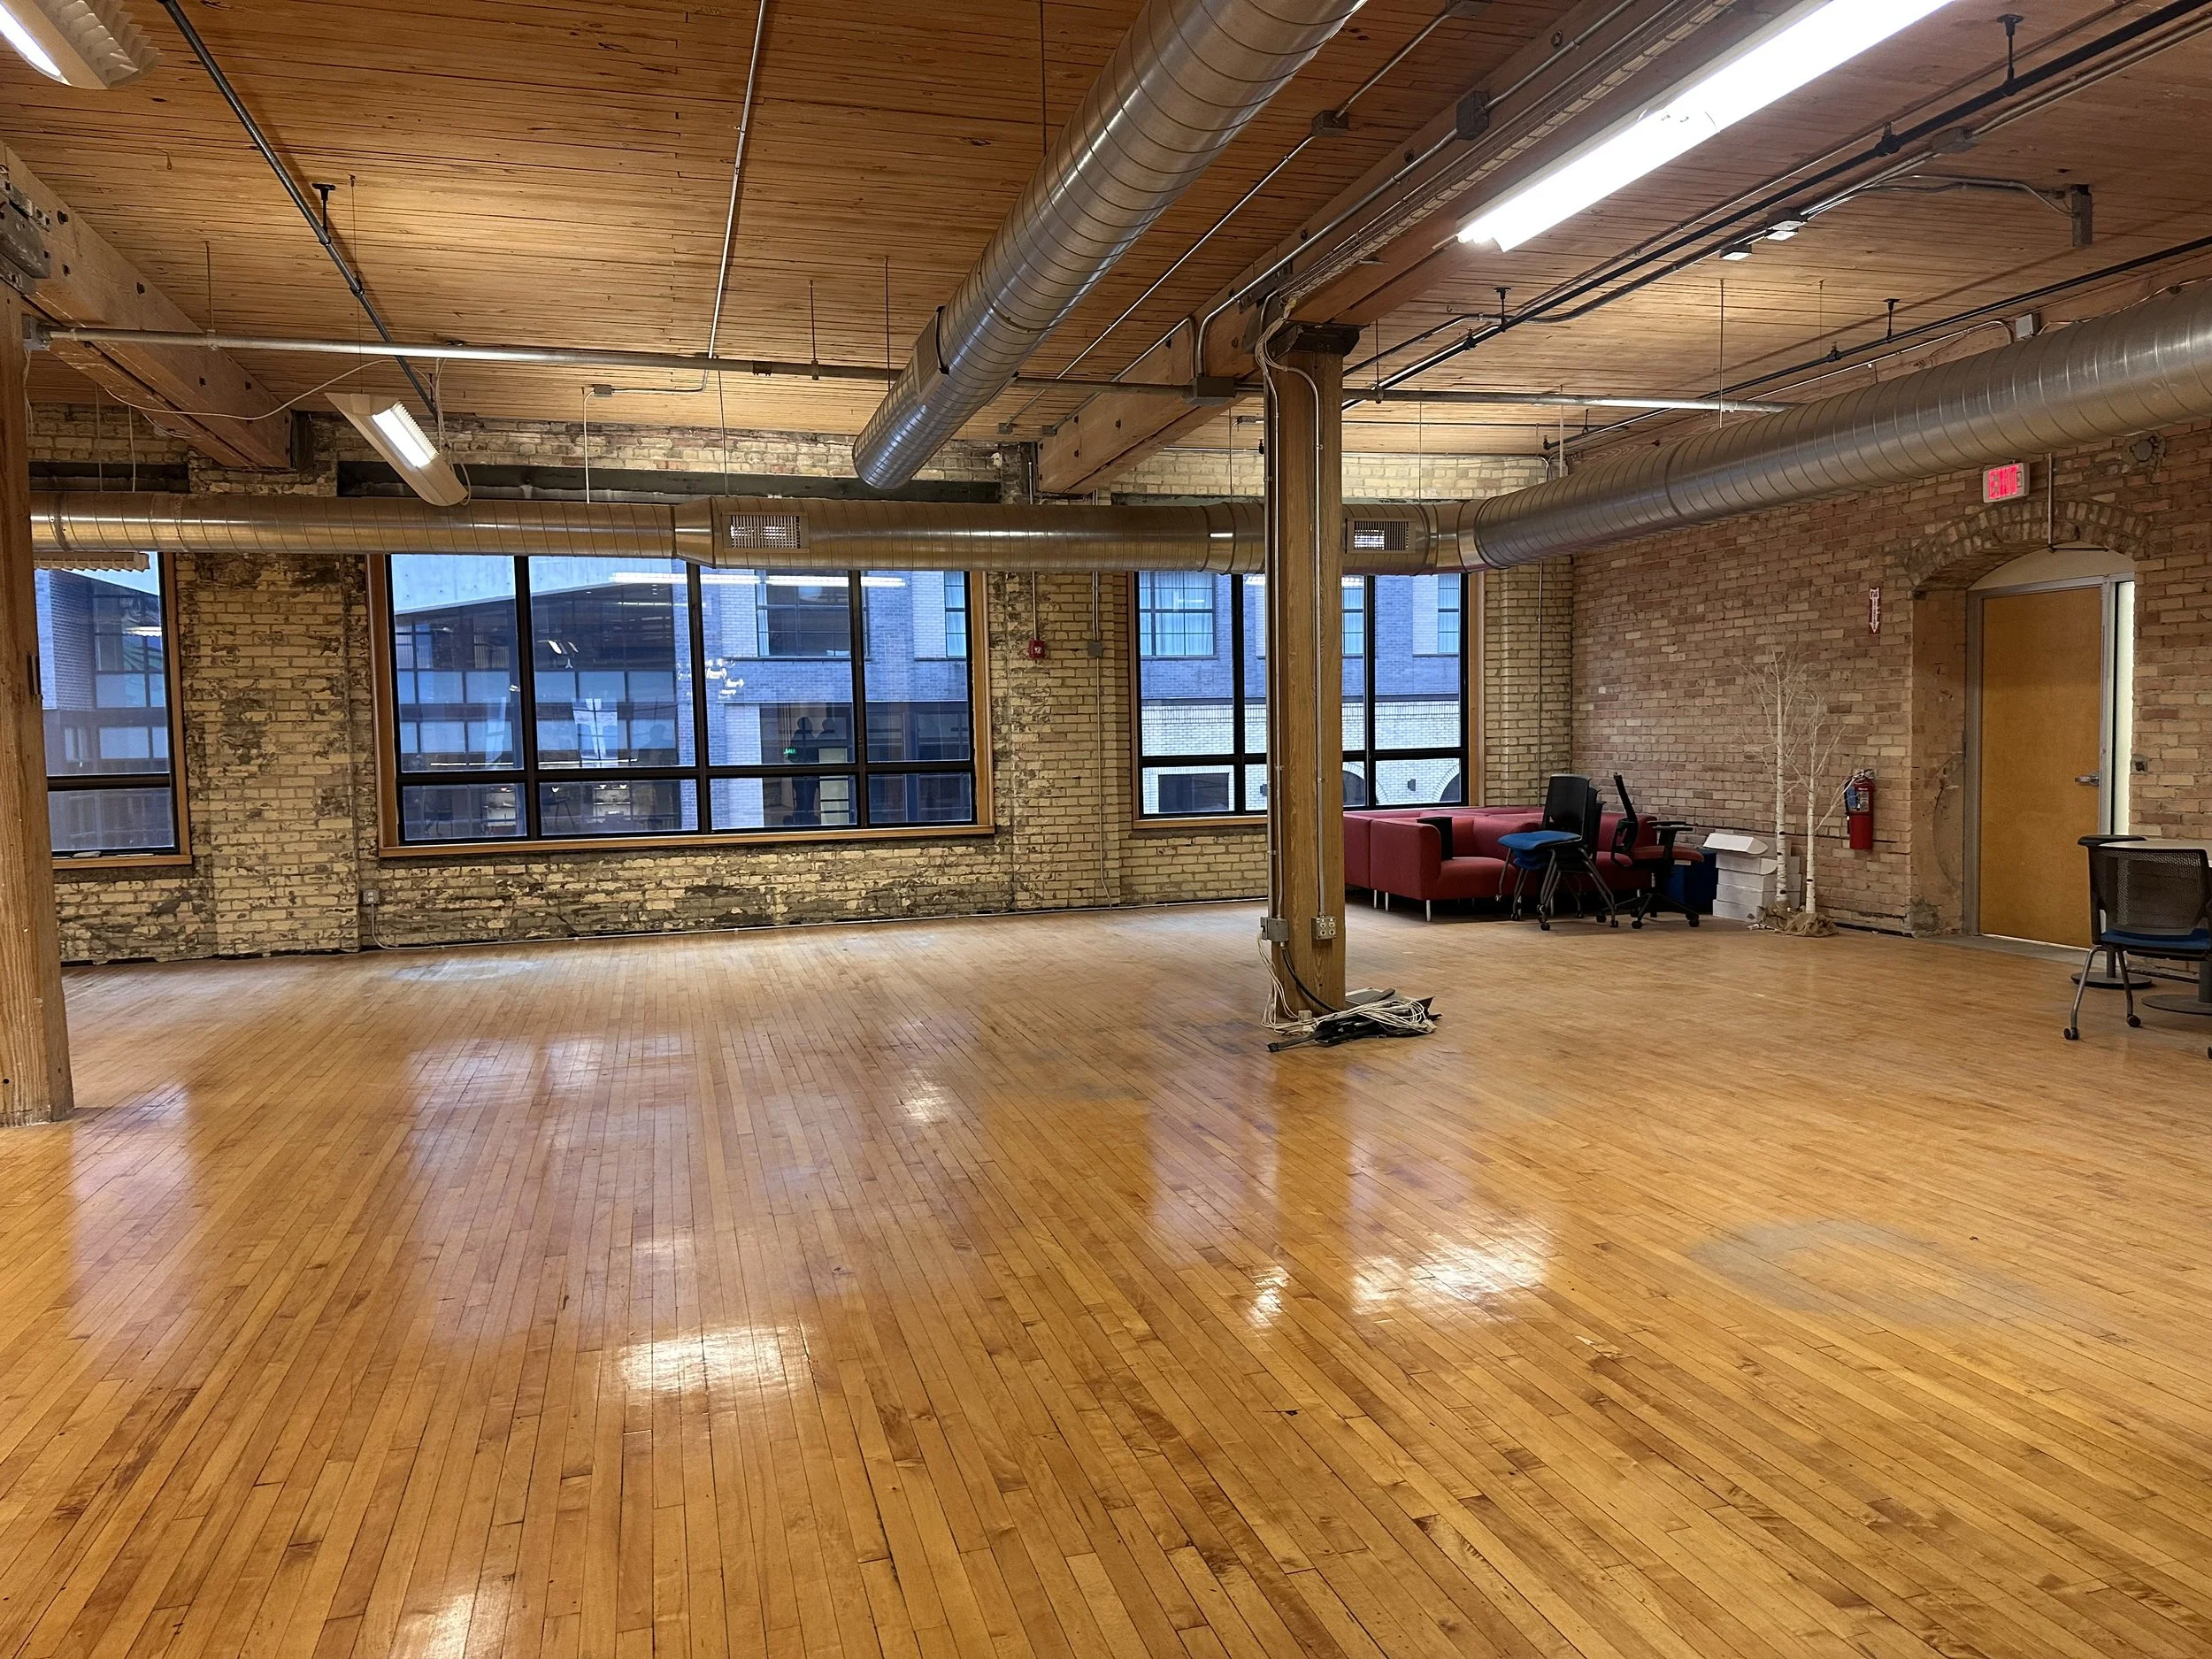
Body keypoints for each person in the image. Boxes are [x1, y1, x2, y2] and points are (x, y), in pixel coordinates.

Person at [785, 716, 820, 824]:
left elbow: (789, 753)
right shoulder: (804, 737)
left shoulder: (796, 737)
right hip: (806, 775)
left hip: (800, 775)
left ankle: (803, 819)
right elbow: (790, 753)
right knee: (807, 799)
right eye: (809, 723)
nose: (811, 725)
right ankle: (805, 820)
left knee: (802, 799)